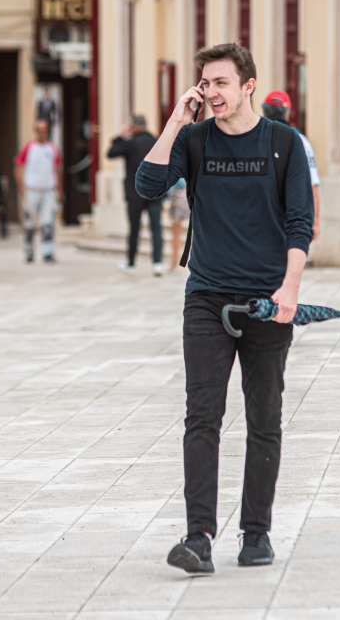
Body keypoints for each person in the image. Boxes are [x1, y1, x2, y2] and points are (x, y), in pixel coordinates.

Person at [136, 43, 314, 573]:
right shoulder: (193, 141)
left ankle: (256, 533)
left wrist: (289, 289)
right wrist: (175, 119)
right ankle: (198, 537)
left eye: (220, 83)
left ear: (247, 86)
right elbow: (147, 185)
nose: (210, 92)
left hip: (266, 301)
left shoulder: (284, 143)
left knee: (264, 418)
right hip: (207, 299)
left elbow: (300, 224)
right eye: (205, 83)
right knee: (201, 418)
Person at [260, 90, 321, 242]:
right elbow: (312, 186)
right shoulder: (300, 141)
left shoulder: (253, 138)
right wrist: (315, 222)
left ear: (264, 110)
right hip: (291, 220)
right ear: (287, 113)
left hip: (259, 220)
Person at [108, 114, 164, 276]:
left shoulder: (130, 144)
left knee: (134, 229)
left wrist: (120, 136)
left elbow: (111, 153)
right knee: (156, 228)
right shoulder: (156, 142)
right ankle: (157, 263)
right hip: (156, 192)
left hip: (135, 193)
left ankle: (131, 263)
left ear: (134, 127)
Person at [15, 120, 63, 263]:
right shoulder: (29, 147)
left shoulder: (52, 148)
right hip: (32, 190)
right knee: (29, 222)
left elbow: (57, 169)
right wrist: (22, 188)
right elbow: (18, 166)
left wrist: (59, 189)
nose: (42, 133)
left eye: (44, 130)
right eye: (39, 131)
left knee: (47, 222)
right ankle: (29, 251)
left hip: (48, 190)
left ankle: (48, 251)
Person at [167, 178, 190, 272]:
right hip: (188, 194)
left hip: (178, 196)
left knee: (176, 233)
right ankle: (176, 262)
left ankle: (175, 263)